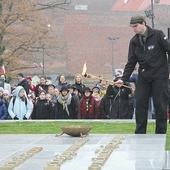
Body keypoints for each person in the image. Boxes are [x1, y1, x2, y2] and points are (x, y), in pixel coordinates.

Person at [114, 14, 170, 134]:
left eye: (136, 26)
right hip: (144, 77)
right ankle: (140, 133)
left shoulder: (158, 34)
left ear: (143, 23)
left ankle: (160, 133)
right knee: (140, 104)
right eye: (132, 26)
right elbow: (131, 62)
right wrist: (123, 79)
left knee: (160, 106)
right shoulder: (134, 41)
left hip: (159, 77)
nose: (134, 28)